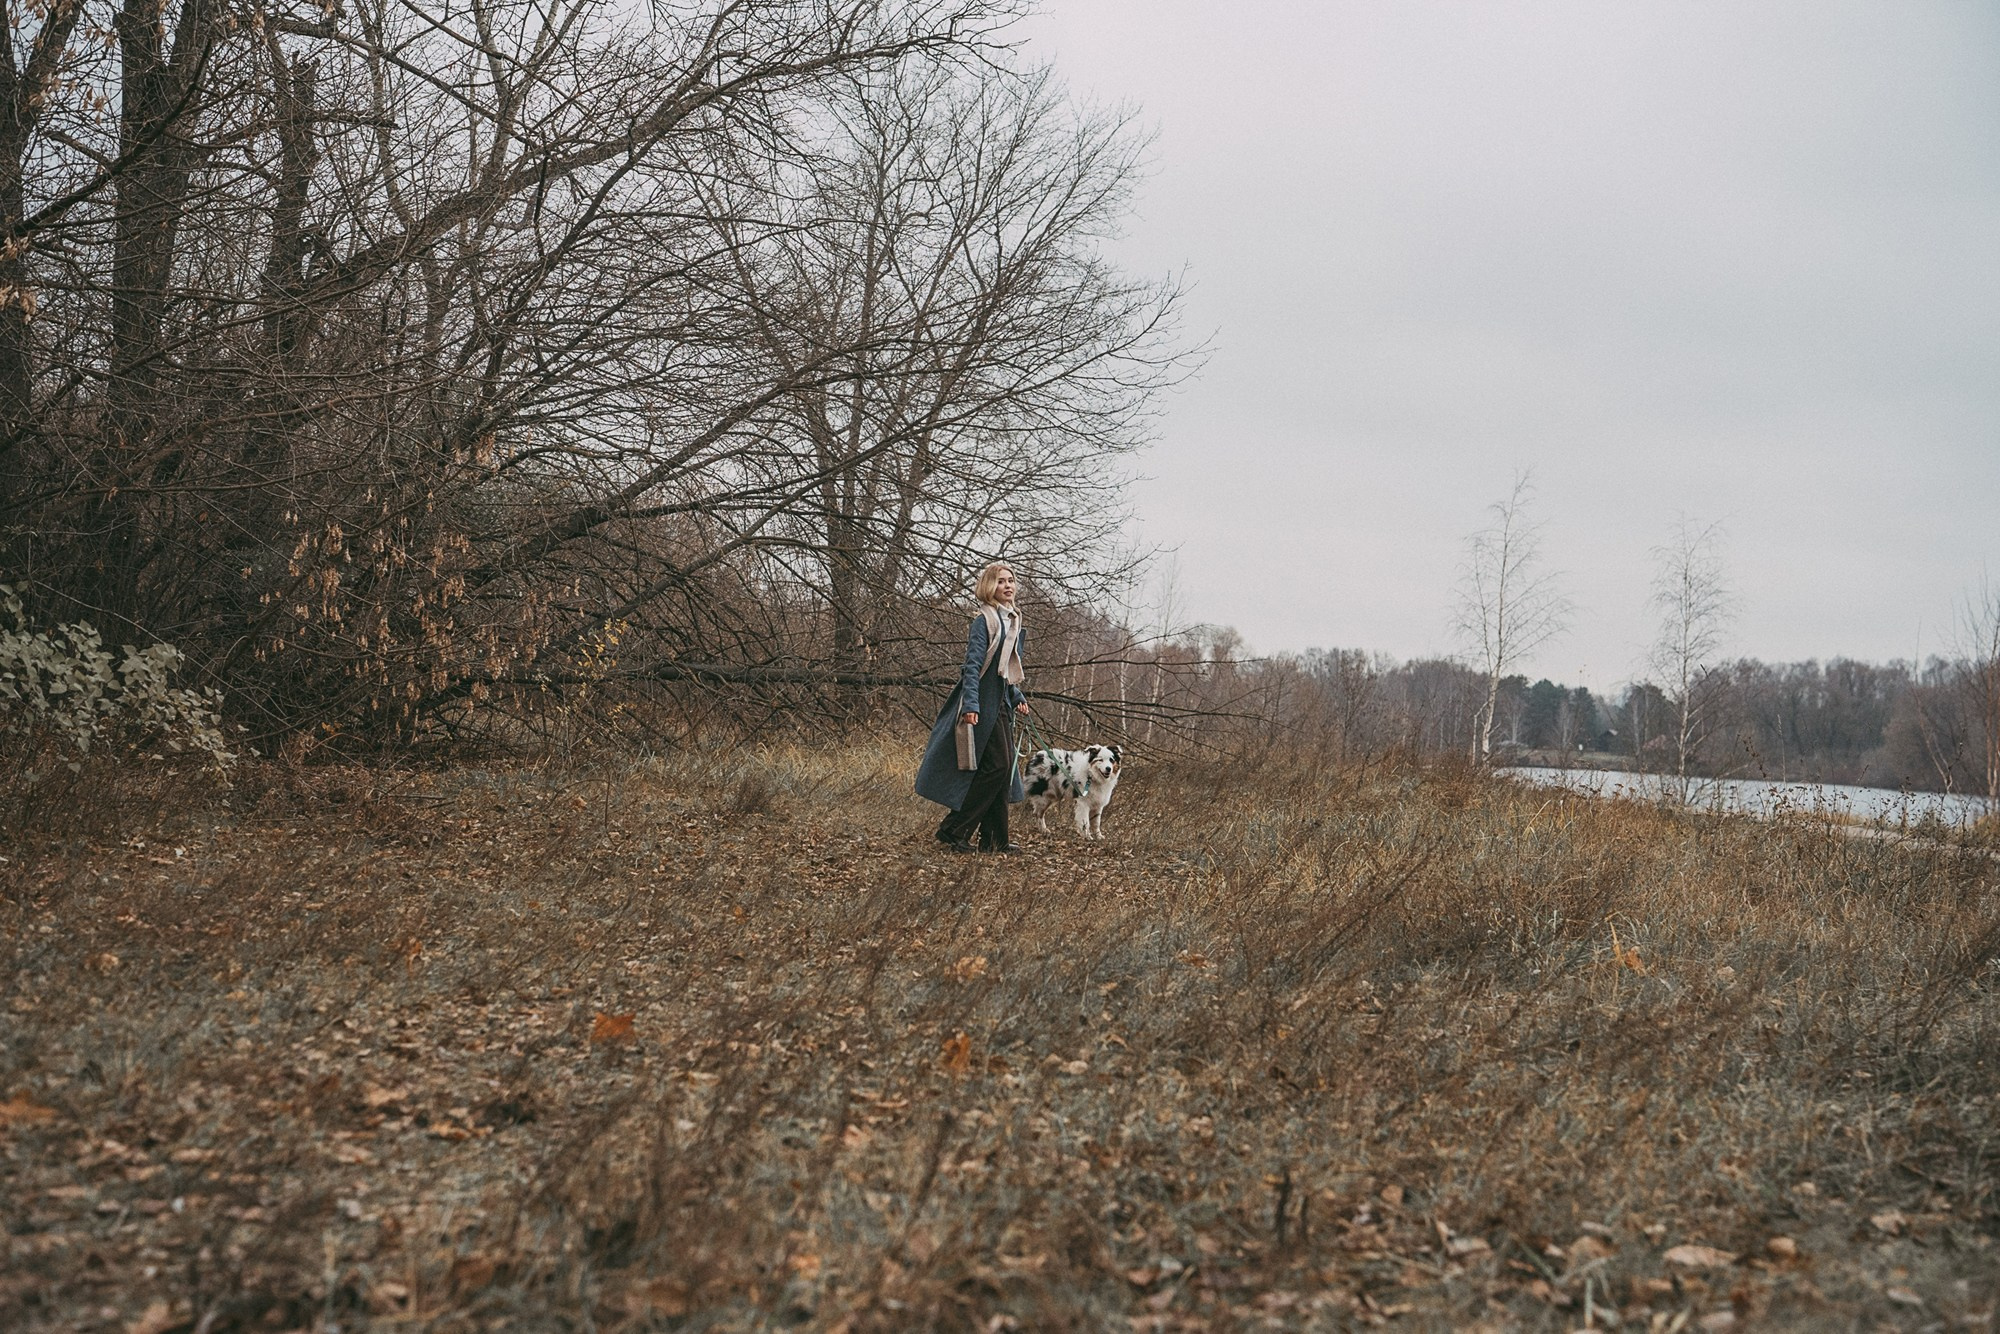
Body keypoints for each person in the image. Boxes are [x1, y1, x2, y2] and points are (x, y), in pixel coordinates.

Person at [914, 561, 1029, 852]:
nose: (1008, 586)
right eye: (1001, 581)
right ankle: (954, 829)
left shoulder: (1014, 621)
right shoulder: (985, 620)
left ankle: (994, 840)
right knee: (996, 768)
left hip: (1000, 702)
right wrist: (972, 705)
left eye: (1011, 580)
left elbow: (1006, 669)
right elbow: (973, 666)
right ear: (990, 587)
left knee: (1002, 770)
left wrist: (1017, 698)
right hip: (980, 704)